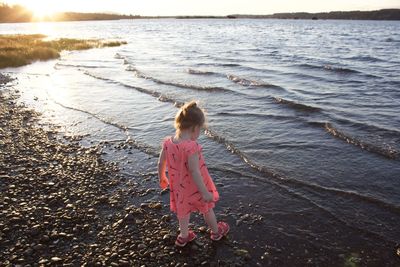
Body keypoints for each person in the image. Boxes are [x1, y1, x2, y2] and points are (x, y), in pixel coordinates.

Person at [158, 101, 230, 247]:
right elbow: (194, 171)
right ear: (195, 128)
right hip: (196, 187)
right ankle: (216, 232)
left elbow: (161, 163)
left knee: (183, 211)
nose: (199, 134)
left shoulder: (168, 142)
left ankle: (183, 236)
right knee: (207, 208)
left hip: (178, 186)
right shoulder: (191, 146)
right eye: (200, 130)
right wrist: (204, 192)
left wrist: (162, 177)